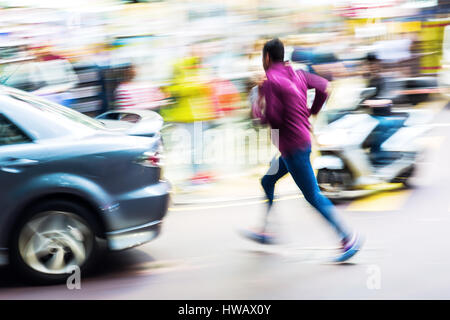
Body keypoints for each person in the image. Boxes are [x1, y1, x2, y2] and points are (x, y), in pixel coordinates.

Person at [243, 38, 362, 262]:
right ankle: (265, 231)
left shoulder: (270, 81)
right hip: (297, 143)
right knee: (267, 181)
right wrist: (310, 112)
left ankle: (348, 237)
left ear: (267, 58)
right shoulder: (296, 74)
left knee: (313, 195)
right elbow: (324, 88)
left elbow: (274, 119)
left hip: (292, 148)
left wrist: (258, 106)